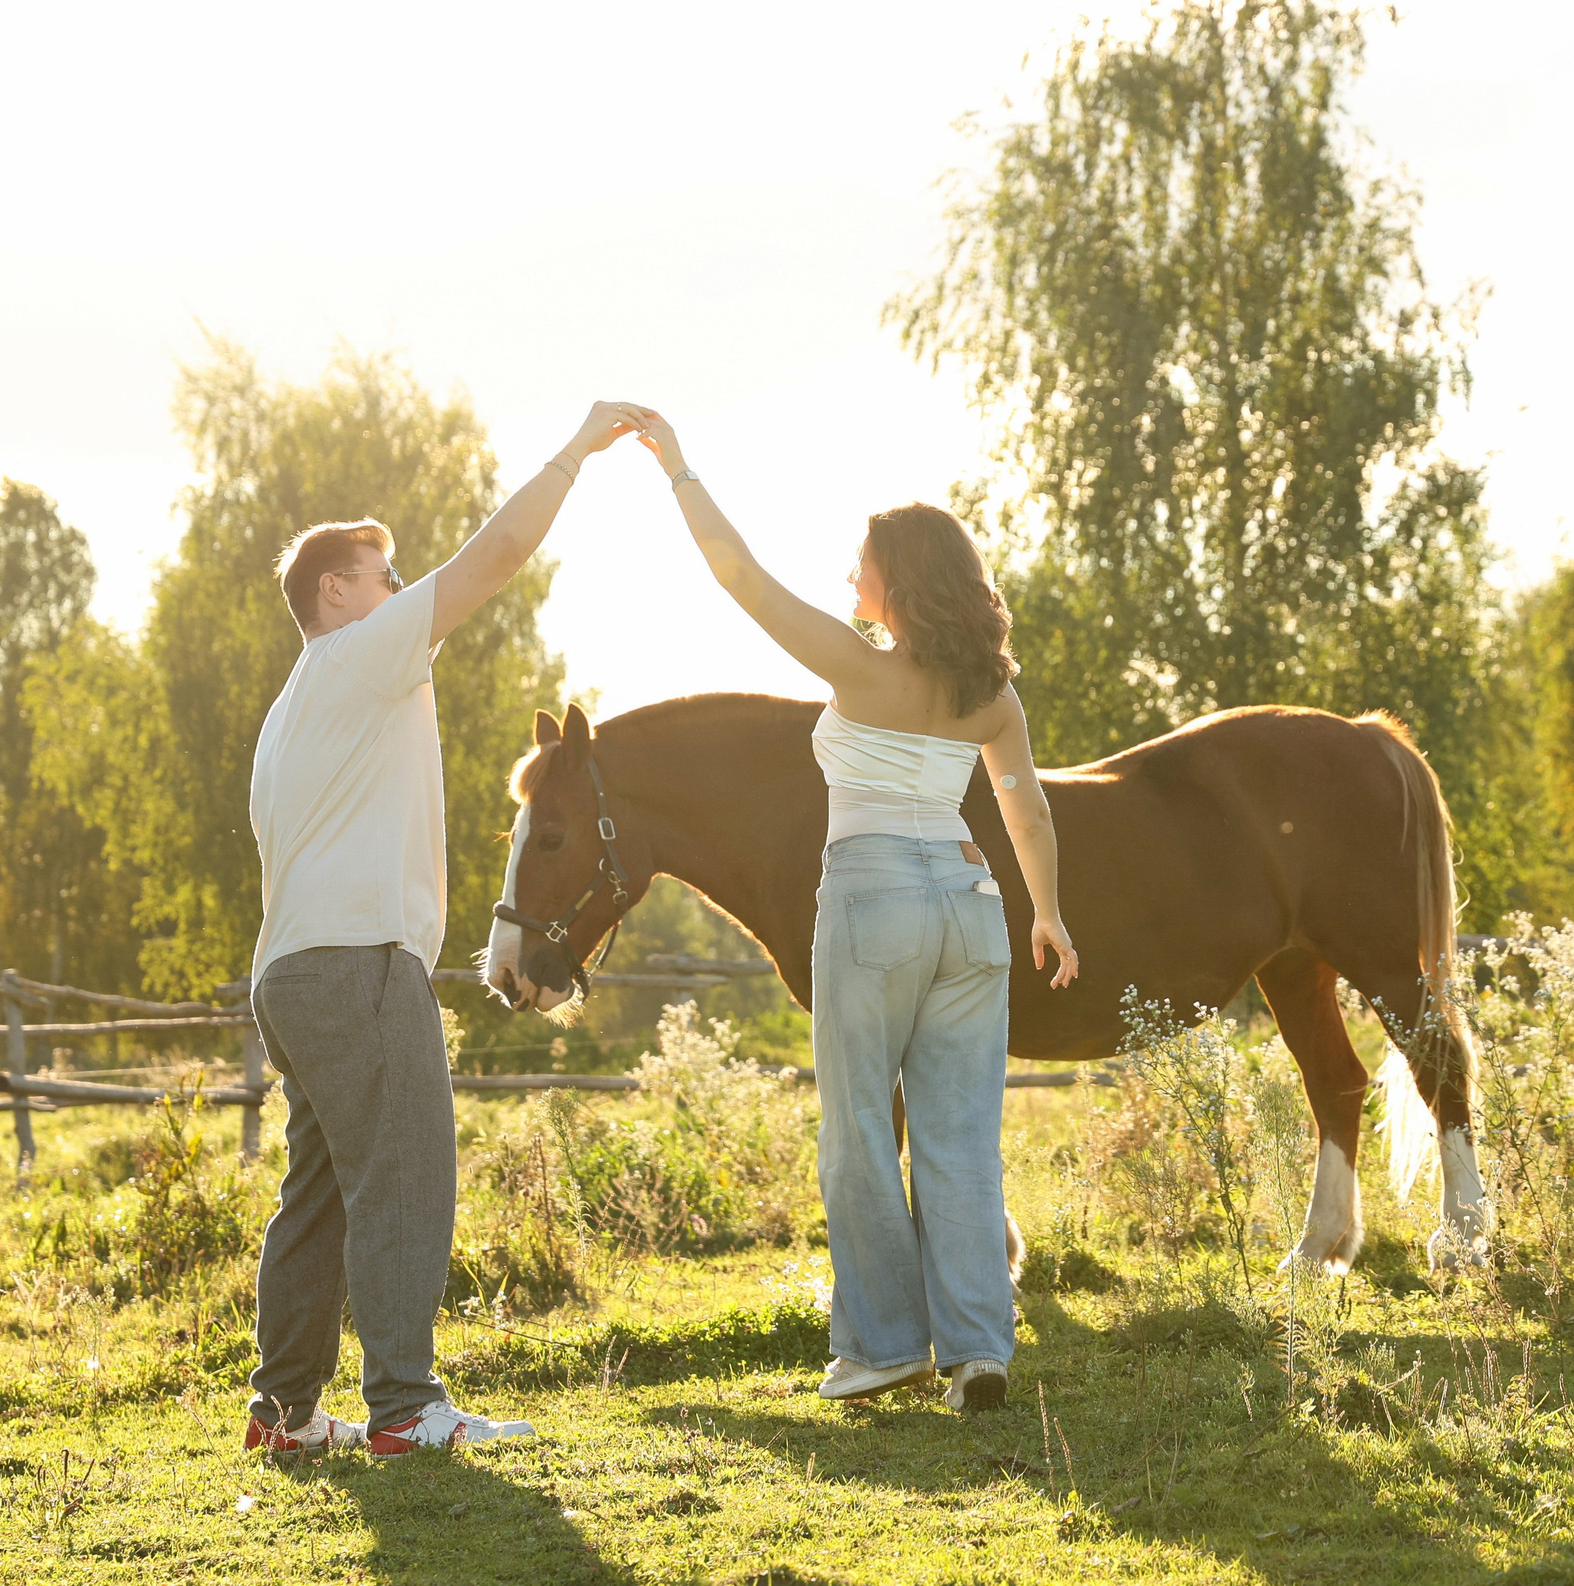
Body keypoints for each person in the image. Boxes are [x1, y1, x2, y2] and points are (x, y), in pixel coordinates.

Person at [630, 407, 1079, 1414]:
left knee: (862, 1133)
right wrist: (1046, 914)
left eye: (862, 566)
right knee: (961, 1137)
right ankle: (979, 1350)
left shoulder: (859, 666)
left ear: (899, 582)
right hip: (972, 903)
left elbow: (740, 578)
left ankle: (884, 1347)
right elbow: (1027, 809)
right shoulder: (994, 696)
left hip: (873, 899)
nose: (848, 578)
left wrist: (680, 469)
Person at [242, 401, 646, 1457]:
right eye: (383, 575)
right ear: (336, 593)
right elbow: (496, 556)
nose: (400, 589)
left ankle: (284, 1415)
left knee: (318, 1194)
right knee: (407, 1176)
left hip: (289, 976)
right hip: (358, 967)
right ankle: (406, 1408)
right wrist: (575, 450)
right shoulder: (359, 655)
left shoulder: (290, 711)